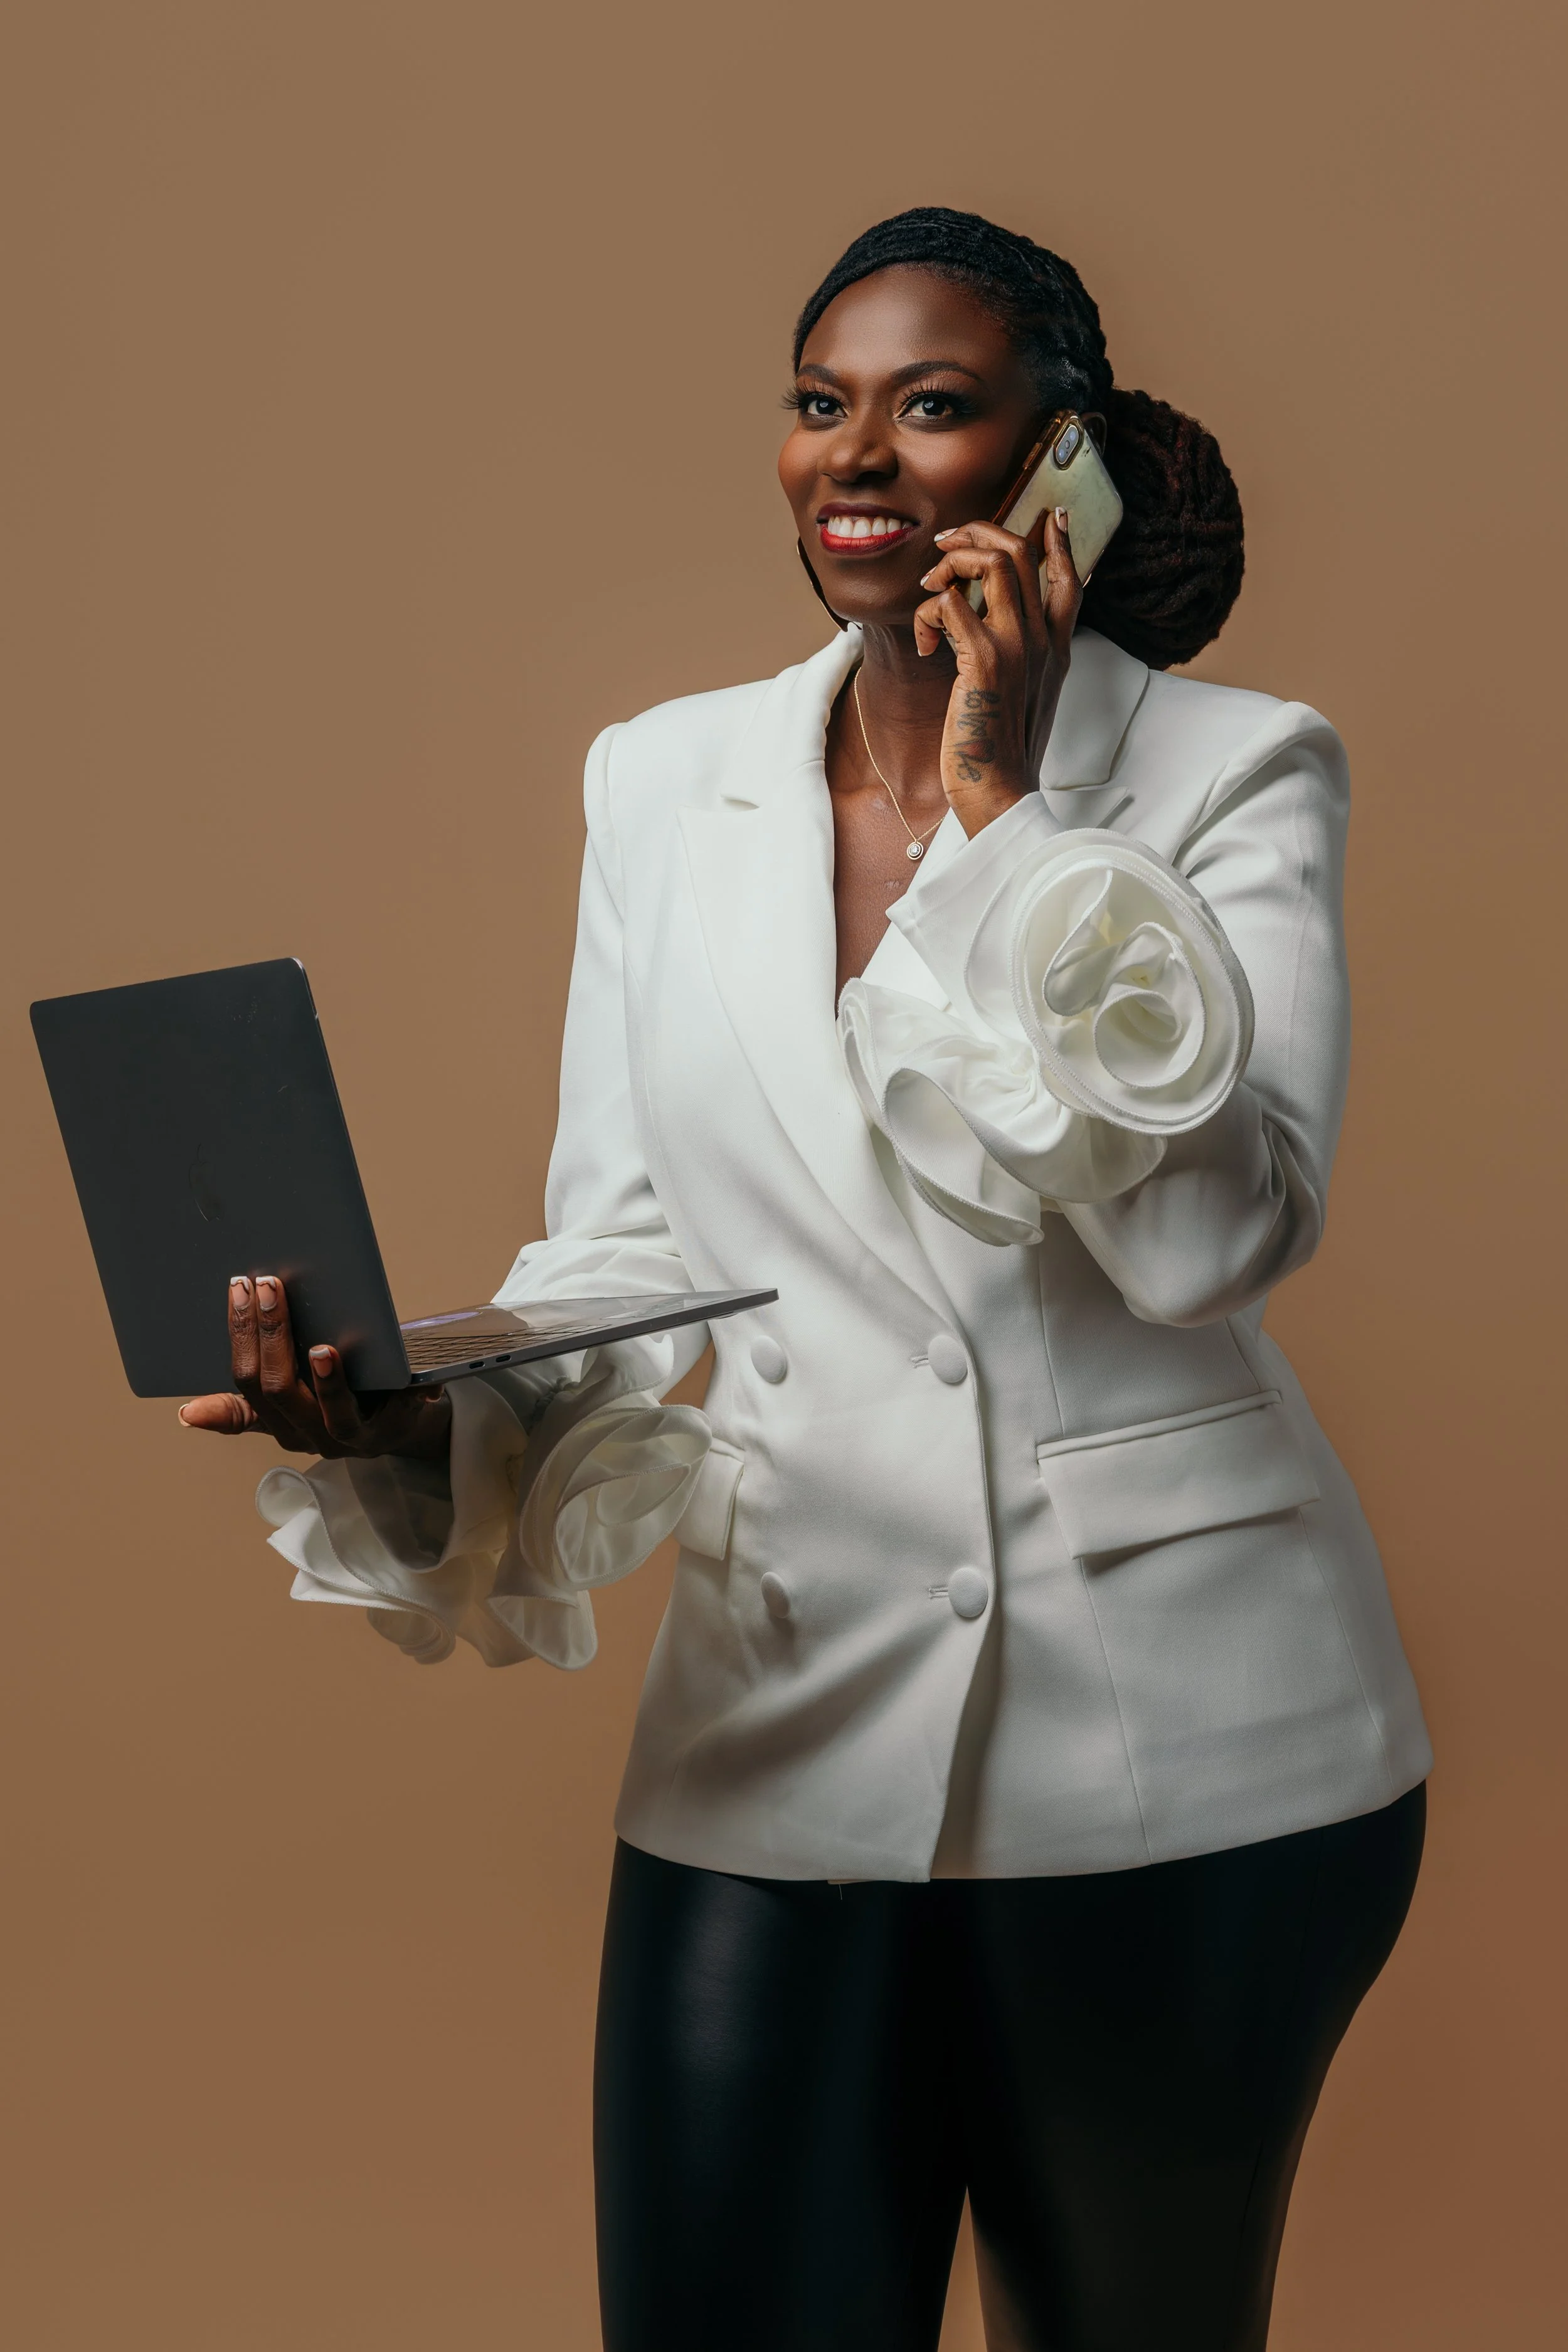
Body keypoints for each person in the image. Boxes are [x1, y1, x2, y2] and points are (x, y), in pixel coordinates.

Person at [181, 208, 1431, 2352]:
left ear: (1058, 461)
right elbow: (627, 1250)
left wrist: (1013, 816)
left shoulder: (1233, 768)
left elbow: (1210, 1240)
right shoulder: (660, 779)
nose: (854, 452)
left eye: (931, 405)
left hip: (1185, 1750)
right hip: (775, 1709)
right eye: (815, 400)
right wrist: (409, 1414)